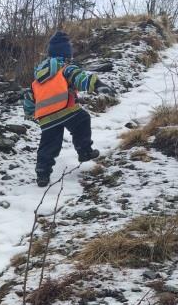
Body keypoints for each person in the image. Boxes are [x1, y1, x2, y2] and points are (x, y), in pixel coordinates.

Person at [23, 30, 116, 187]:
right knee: (83, 120)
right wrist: (98, 85)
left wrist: (29, 112)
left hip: (46, 118)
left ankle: (42, 174)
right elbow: (80, 79)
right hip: (67, 110)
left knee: (48, 145)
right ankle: (84, 151)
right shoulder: (65, 68)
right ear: (66, 54)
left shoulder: (37, 78)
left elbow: (29, 97)